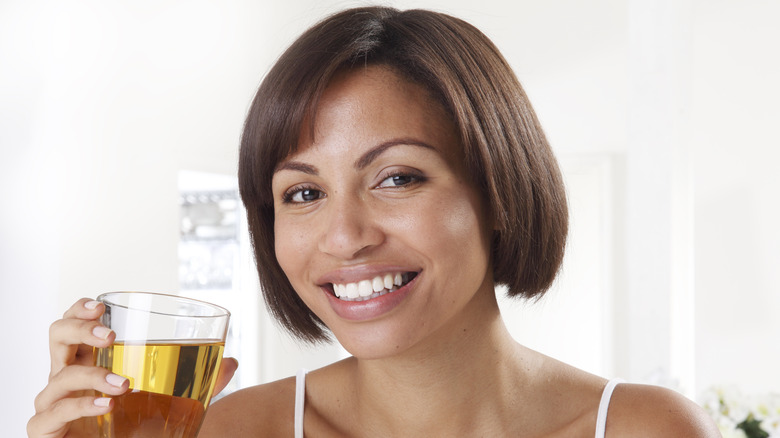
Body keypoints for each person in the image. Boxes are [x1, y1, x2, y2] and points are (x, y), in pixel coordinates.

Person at [28, 6, 720, 437]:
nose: (345, 235)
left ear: (499, 190)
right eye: (302, 194)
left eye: (397, 178)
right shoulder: (235, 431)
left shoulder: (644, 430)